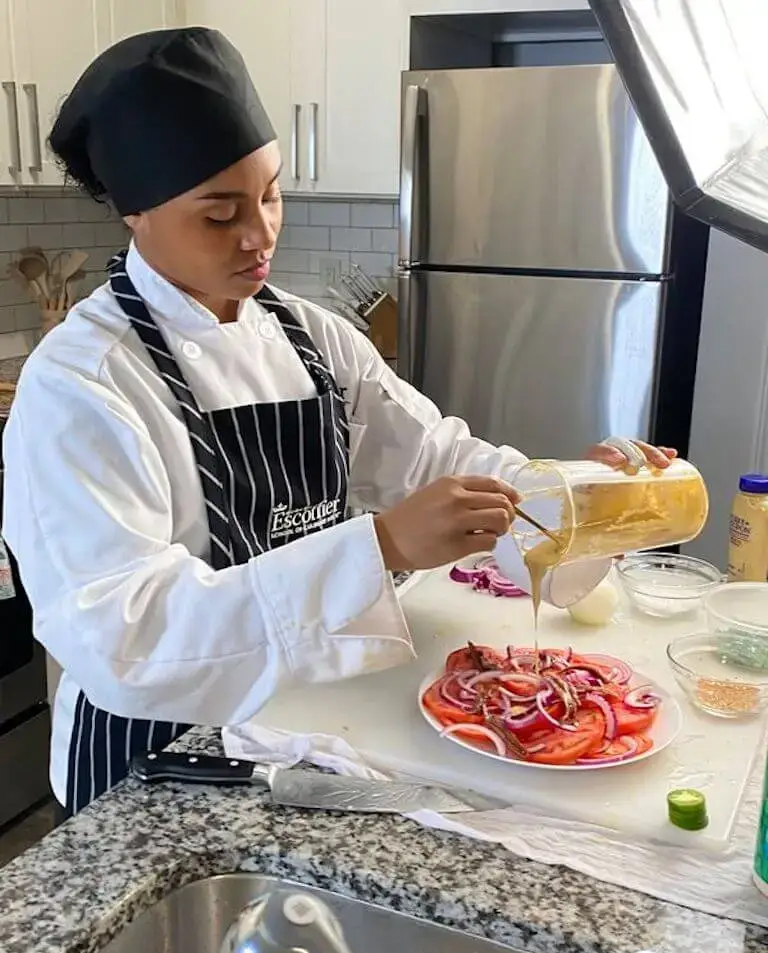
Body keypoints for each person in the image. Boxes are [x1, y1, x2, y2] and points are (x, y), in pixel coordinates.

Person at [1, 27, 675, 817]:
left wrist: (574, 492)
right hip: (152, 766)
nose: (260, 236)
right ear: (135, 215)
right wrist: (381, 547)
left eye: (271, 193)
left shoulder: (307, 334)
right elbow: (128, 640)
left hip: (303, 736)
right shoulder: (83, 383)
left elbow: (441, 457)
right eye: (220, 214)